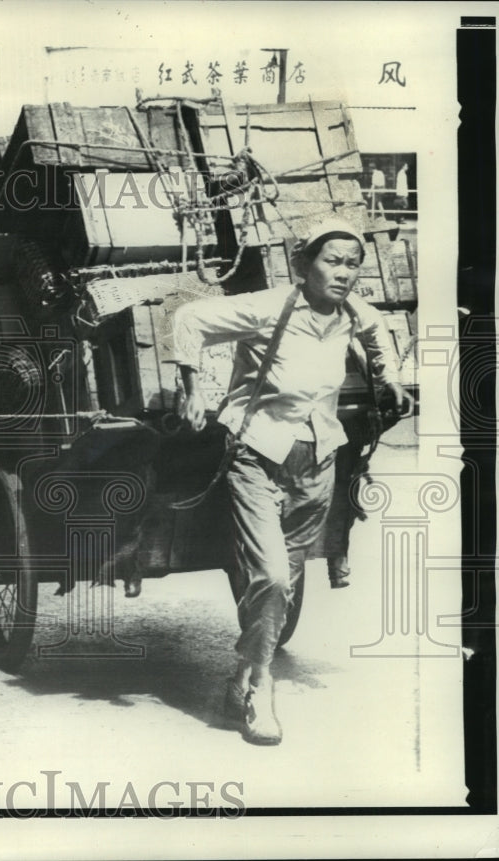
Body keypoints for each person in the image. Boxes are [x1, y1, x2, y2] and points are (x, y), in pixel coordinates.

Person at [173, 217, 411, 746]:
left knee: (282, 584)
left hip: (319, 462)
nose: (344, 272)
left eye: (353, 263)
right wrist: (190, 387)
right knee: (275, 578)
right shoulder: (269, 307)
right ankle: (261, 687)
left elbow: (378, 336)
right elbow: (189, 318)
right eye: (332, 260)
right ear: (303, 265)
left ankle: (241, 668)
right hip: (256, 454)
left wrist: (389, 379)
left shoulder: (353, 313)